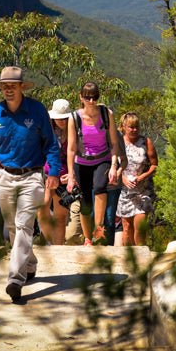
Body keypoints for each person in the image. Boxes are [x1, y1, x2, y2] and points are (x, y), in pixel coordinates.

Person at [0, 66, 60, 302]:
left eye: (12, 85)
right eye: (4, 86)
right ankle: (30, 264)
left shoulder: (36, 111)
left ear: (21, 87)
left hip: (31, 177)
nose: (8, 89)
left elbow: (51, 144)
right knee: (14, 229)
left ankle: (15, 280)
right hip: (4, 177)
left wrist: (54, 171)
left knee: (24, 225)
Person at [66, 82, 119, 246]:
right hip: (81, 162)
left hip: (102, 158)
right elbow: (71, 148)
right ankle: (88, 238)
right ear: (81, 97)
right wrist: (70, 175)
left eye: (94, 97)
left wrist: (114, 166)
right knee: (85, 201)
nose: (91, 100)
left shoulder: (106, 114)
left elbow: (114, 143)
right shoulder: (74, 118)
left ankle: (99, 228)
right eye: (87, 97)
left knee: (100, 186)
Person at [116, 112, 158, 246]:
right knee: (127, 229)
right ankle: (128, 260)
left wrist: (141, 177)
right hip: (125, 192)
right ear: (123, 127)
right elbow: (113, 166)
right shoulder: (118, 143)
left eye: (136, 127)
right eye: (131, 127)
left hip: (143, 191)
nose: (134, 130)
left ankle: (141, 257)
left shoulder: (146, 142)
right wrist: (123, 178)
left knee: (140, 227)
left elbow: (154, 165)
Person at [38, 99, 71, 245]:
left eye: (65, 118)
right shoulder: (47, 131)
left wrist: (71, 175)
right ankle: (49, 240)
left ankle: (58, 248)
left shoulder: (73, 133)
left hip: (65, 176)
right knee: (43, 205)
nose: (62, 121)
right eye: (59, 118)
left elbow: (76, 155)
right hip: (47, 174)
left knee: (61, 215)